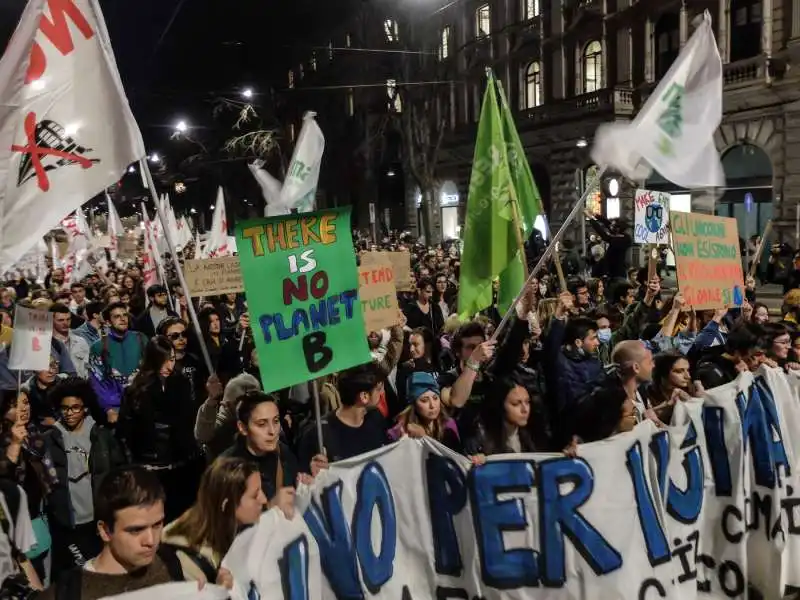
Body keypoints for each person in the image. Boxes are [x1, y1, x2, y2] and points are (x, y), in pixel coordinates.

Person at [40, 467, 190, 600]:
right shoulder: (67, 594)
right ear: (105, 531)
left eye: (157, 525)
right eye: (136, 530)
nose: (151, 541)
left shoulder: (169, 564)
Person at [43, 377, 127, 575]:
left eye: (75, 407)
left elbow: (119, 473)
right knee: (73, 575)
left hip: (97, 521)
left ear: (85, 408)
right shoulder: (50, 439)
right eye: (65, 408)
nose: (69, 413)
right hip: (66, 523)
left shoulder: (102, 436)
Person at [116, 336, 200, 523]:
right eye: (163, 360)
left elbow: (189, 422)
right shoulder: (137, 390)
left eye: (171, 359)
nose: (169, 365)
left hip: (180, 466)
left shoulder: (181, 384)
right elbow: (125, 433)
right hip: (149, 467)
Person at [161, 457, 281, 585]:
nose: (263, 499)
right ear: (227, 505)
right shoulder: (188, 562)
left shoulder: (228, 524)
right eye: (254, 495)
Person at [297, 362, 388, 472]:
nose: (382, 392)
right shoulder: (318, 434)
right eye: (378, 389)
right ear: (364, 397)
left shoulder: (376, 418)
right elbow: (303, 480)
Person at [221, 392, 300, 503]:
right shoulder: (227, 469)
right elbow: (221, 517)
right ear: (242, 427)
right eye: (262, 424)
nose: (272, 431)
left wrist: (309, 483)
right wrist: (270, 508)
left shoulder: (284, 453)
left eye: (276, 421)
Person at [88, 302, 148, 425]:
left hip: (144, 402)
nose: (122, 318)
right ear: (108, 322)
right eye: (116, 316)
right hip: (116, 408)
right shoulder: (98, 347)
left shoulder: (141, 338)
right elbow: (97, 381)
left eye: (124, 315)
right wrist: (108, 409)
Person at [50, 304, 90, 379]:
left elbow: (87, 368)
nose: (65, 323)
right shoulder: (47, 344)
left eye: (68, 319)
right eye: (60, 320)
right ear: (51, 321)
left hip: (79, 386)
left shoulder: (81, 342)